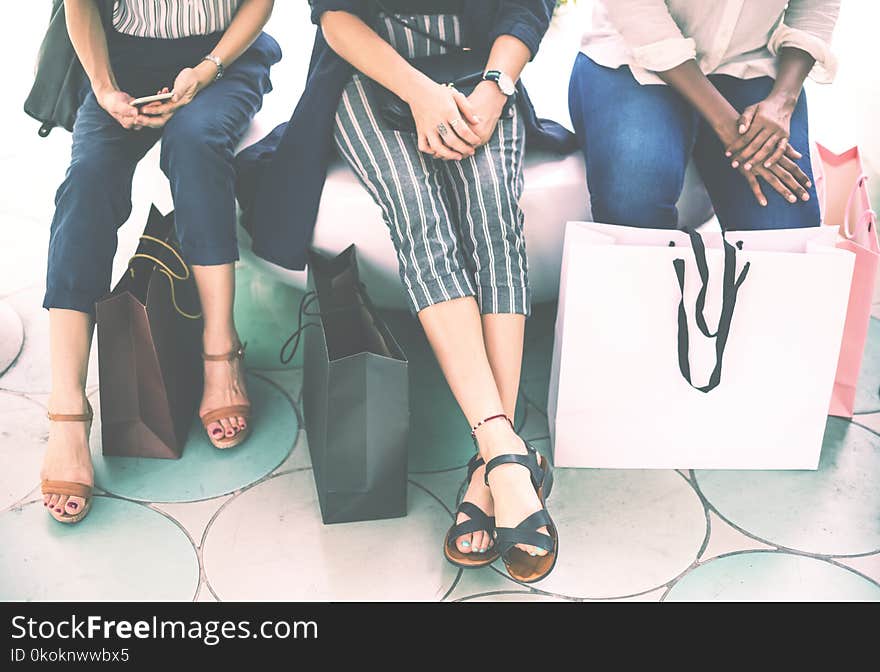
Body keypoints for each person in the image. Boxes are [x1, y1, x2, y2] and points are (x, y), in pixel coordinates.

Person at [284, 0, 570, 583]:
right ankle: (506, 456)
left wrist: (496, 86)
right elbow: (334, 16)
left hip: (484, 72)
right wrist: (420, 92)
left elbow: (528, 7)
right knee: (421, 217)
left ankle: (492, 465)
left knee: (493, 208)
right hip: (371, 74)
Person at [40, 0, 280, 524]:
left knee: (195, 146)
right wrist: (103, 89)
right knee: (85, 186)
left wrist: (207, 68)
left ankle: (221, 349)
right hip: (119, 61)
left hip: (223, 58)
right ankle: (67, 412)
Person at [569, 0, 841, 232]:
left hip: (747, 61)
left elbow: (815, 6)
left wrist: (782, 100)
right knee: (634, 199)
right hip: (632, 54)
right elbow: (637, 10)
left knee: (784, 232)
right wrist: (728, 125)